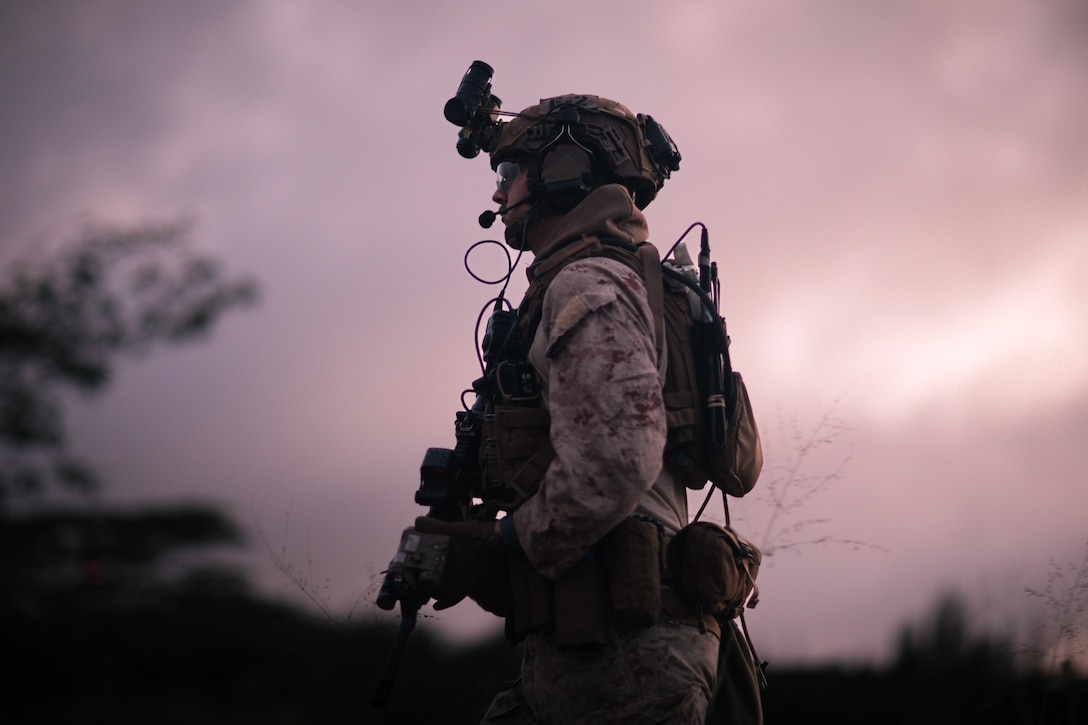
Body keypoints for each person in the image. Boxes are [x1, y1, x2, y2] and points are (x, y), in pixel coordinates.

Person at [414, 93, 763, 724]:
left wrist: (497, 544)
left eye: (508, 173)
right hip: (609, 651)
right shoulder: (619, 279)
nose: (498, 195)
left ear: (563, 171)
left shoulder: (587, 284)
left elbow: (616, 460)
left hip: (621, 659)